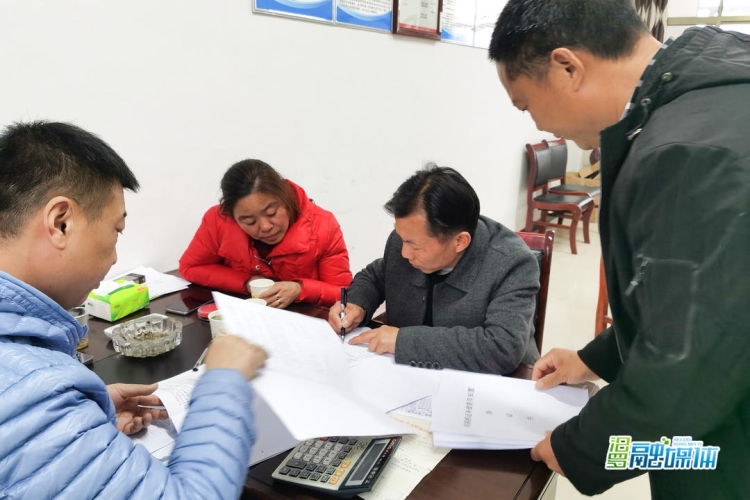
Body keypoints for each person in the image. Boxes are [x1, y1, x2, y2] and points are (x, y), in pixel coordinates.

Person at [489, 1, 750, 498]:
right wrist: (594, 360)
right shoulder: (712, 97)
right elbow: (697, 306)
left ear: (567, 68)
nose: (542, 126)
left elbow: (688, 377)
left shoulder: (690, 154)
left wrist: (579, 449)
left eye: (525, 104)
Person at [0, 121, 268, 499]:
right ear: (61, 222)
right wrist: (224, 383)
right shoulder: (31, 393)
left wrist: (87, 412)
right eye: (116, 230)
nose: (114, 257)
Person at [328, 165, 540, 374]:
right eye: (402, 239)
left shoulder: (511, 263)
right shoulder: (406, 239)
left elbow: (502, 348)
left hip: (489, 383)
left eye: (415, 246)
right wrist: (357, 303)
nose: (404, 253)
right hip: (408, 376)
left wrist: (403, 341)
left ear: (460, 241)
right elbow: (376, 276)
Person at [179, 159, 352, 308]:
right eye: (249, 222)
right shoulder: (219, 221)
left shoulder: (322, 225)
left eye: (271, 213)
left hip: (306, 321)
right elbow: (191, 267)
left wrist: (299, 289)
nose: (265, 227)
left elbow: (343, 294)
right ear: (232, 216)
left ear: (284, 197)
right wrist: (246, 282)